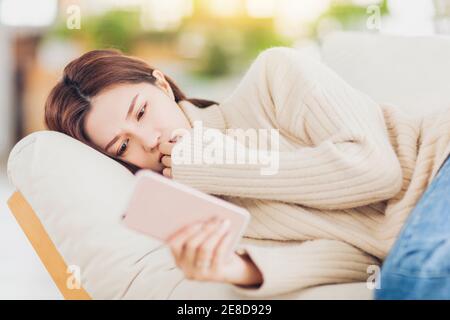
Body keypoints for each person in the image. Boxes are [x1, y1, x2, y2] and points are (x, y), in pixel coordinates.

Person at [44, 47, 450, 299]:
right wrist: (240, 268)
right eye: (123, 146)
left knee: (420, 276)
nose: (148, 140)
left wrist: (211, 164)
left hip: (440, 163)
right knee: (404, 283)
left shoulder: (274, 78)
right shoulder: (201, 204)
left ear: (162, 85)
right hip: (414, 241)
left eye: (143, 111)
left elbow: (375, 171)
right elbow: (355, 254)